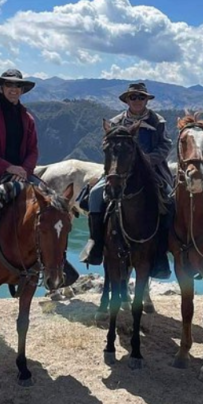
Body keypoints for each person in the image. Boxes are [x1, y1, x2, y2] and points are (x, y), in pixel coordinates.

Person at [0, 69, 77, 300]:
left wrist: (24, 169)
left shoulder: (27, 119)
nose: (13, 89)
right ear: (0, 89)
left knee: (56, 210)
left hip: (21, 174)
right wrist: (8, 167)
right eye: (9, 85)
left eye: (17, 86)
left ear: (21, 91)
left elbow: (33, 150)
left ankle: (60, 263)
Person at [79, 82, 173, 279]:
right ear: (127, 100)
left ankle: (162, 251)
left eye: (141, 97)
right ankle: (95, 242)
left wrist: (148, 160)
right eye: (133, 97)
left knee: (170, 199)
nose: (137, 101)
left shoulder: (158, 121)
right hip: (119, 171)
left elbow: (165, 145)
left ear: (146, 100)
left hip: (151, 171)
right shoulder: (116, 122)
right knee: (96, 194)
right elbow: (108, 145)